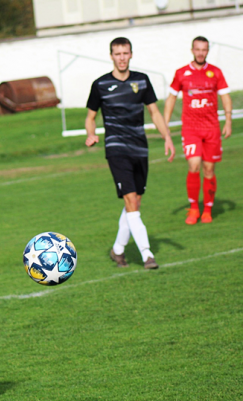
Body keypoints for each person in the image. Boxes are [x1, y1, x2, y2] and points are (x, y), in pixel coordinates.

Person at [85, 37, 175, 270]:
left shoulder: (141, 81)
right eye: (117, 54)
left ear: (131, 54)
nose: (122, 57)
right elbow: (90, 116)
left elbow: (154, 112)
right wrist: (91, 134)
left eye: (125, 53)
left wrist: (167, 137)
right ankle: (147, 255)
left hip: (140, 148)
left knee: (135, 202)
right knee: (131, 201)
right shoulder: (100, 85)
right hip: (116, 147)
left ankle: (117, 250)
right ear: (111, 56)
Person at [164, 36, 232, 225]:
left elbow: (225, 96)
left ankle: (208, 210)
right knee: (194, 165)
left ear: (207, 51)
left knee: (209, 169)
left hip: (211, 129)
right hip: (191, 129)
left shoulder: (216, 73)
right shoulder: (181, 73)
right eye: (198, 49)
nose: (201, 53)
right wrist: (165, 124)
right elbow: (171, 99)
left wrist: (228, 120)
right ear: (192, 50)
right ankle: (194, 209)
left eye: (204, 49)